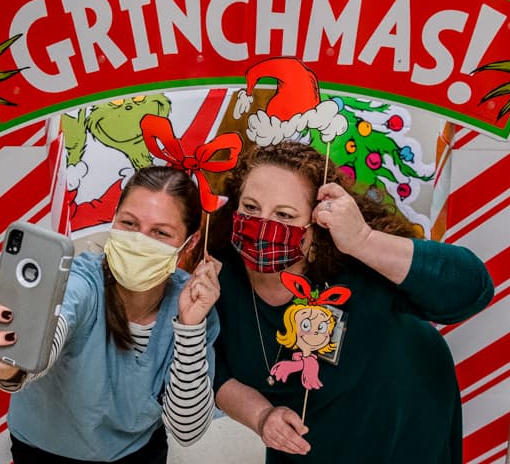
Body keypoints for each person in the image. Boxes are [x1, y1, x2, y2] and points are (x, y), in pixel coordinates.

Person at [209, 141, 494, 463]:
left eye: (285, 214)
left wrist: (363, 241)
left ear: (316, 225)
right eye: (250, 207)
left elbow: (473, 290)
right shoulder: (220, 276)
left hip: (400, 422)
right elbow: (213, 370)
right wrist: (262, 416)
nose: (262, 224)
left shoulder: (354, 267)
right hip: (304, 438)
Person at [0, 166, 221, 463]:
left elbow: (187, 429)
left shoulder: (191, 306)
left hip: (137, 453)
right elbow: (53, 329)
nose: (140, 240)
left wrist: (190, 329)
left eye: (160, 233)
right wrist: (9, 365)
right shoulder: (81, 282)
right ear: (113, 222)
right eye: (129, 223)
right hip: (45, 451)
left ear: (189, 244)